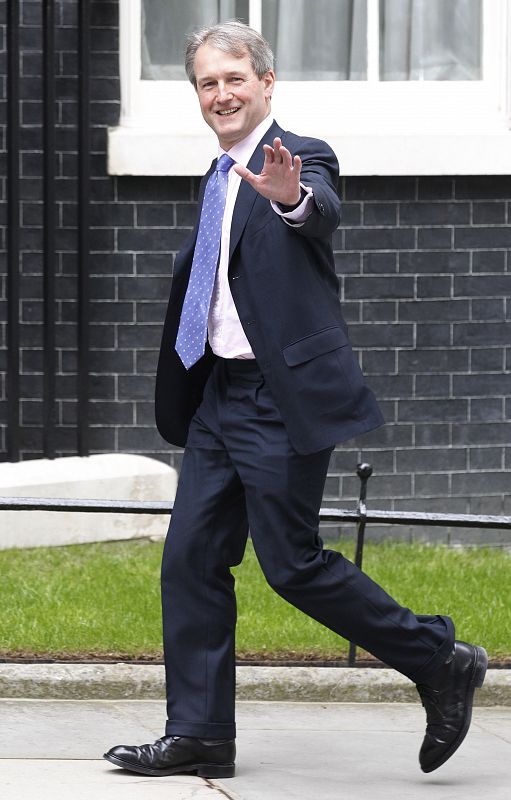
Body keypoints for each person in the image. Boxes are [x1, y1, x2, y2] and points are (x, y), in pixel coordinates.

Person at [104, 21, 487, 780]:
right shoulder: (213, 175)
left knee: (292, 565)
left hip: (279, 401)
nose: (221, 93)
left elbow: (317, 207)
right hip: (218, 395)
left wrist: (292, 200)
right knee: (189, 560)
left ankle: (440, 659)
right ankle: (201, 733)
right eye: (207, 83)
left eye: (234, 79)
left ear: (266, 83)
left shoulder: (302, 156)